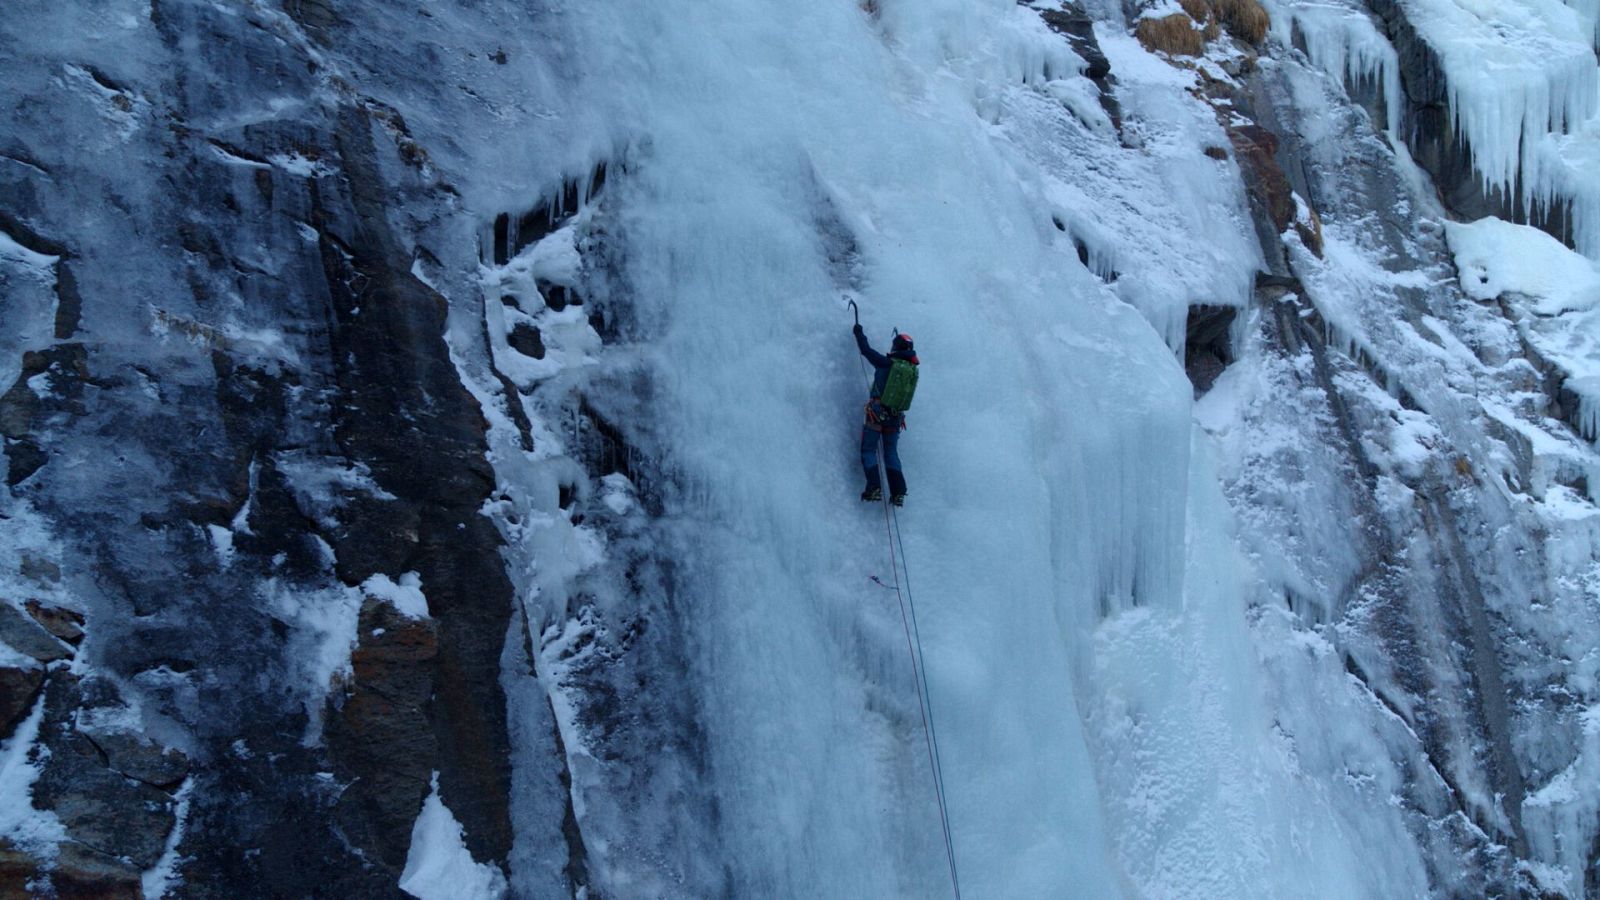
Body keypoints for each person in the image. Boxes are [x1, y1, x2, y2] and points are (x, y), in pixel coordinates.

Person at [854, 322, 918, 506]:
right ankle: (898, 493)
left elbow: (865, 350)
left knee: (868, 450)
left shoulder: (886, 363)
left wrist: (859, 332)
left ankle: (874, 488)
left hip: (876, 413)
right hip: (895, 418)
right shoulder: (911, 370)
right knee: (890, 452)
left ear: (895, 347)